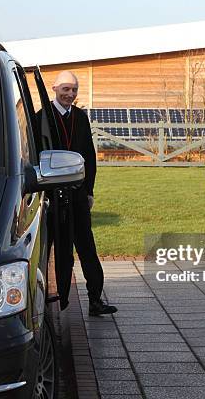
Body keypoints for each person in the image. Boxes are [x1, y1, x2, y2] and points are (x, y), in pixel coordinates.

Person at [47, 71, 117, 317]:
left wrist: (89, 191)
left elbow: (89, 157)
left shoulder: (81, 118)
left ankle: (95, 300)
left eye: (74, 89)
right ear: (54, 88)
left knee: (87, 248)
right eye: (66, 89)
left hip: (78, 196)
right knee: (60, 252)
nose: (70, 94)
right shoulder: (42, 117)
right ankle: (59, 302)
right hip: (52, 198)